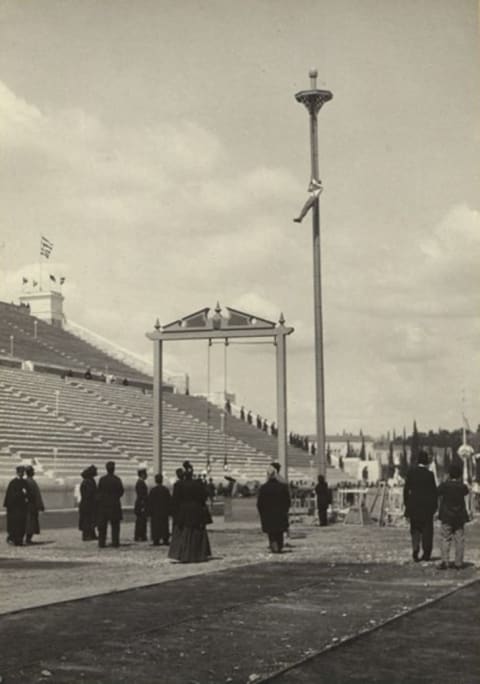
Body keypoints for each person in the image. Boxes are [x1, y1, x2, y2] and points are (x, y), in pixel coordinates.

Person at [168, 461, 212, 563]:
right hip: (196, 510)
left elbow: (175, 500)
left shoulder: (179, 485)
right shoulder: (198, 483)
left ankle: (184, 554)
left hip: (184, 511)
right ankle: (198, 554)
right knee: (196, 532)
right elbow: (203, 497)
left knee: (184, 532)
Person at [403, 450, 437, 562]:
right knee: (427, 531)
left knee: (415, 529)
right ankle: (426, 553)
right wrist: (434, 507)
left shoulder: (411, 473)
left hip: (414, 506)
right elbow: (434, 492)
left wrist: (407, 504)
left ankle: (415, 547)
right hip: (427, 508)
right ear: (427, 461)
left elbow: (406, 490)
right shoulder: (430, 475)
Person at [437, 463, 470, 570]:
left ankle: (445, 561)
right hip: (459, 516)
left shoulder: (445, 485)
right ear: (460, 475)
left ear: (449, 474)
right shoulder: (462, 487)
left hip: (447, 515)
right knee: (459, 539)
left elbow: (438, 491)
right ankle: (458, 562)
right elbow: (466, 491)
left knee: (445, 538)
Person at [257, 465, 291, 553]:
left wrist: (262, 513)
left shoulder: (263, 488)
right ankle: (279, 545)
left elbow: (260, 504)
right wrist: (285, 511)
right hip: (280, 514)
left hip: (268, 515)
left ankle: (274, 544)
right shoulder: (282, 487)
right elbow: (287, 502)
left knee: (271, 533)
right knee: (279, 532)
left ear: (268, 475)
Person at [97, 461, 124, 548]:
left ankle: (101, 542)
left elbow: (99, 492)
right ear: (114, 469)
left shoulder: (102, 480)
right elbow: (121, 491)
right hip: (114, 505)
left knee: (102, 526)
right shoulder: (117, 479)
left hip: (104, 505)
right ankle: (115, 542)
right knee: (115, 526)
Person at [4, 466, 29, 546]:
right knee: (14, 524)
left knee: (21, 524)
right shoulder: (13, 483)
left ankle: (20, 540)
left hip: (22, 508)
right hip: (14, 508)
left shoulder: (25, 482)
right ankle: (13, 539)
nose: (22, 474)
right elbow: (11, 496)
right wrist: (22, 493)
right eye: (21, 472)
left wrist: (26, 496)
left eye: (23, 472)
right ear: (18, 472)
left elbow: (28, 494)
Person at [147, 474, 172, 546]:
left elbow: (150, 502)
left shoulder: (153, 490)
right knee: (164, 525)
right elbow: (169, 500)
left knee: (155, 525)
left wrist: (149, 511)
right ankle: (165, 539)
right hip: (164, 511)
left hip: (155, 511)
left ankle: (156, 539)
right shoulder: (165, 490)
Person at [24, 465, 45, 544]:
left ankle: (27, 539)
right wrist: (40, 505)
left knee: (28, 522)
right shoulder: (31, 482)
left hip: (27, 505)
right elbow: (37, 495)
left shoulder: (26, 481)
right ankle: (28, 539)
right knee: (31, 522)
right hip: (32, 505)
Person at [78, 465, 98, 541]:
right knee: (87, 520)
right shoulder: (88, 481)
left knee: (89, 520)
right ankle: (86, 536)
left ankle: (92, 535)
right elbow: (90, 493)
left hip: (87, 503)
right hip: (88, 504)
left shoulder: (88, 481)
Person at [134, 468, 149, 542]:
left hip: (140, 504)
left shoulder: (140, 482)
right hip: (141, 504)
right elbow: (141, 495)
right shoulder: (140, 483)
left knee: (141, 521)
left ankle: (140, 535)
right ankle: (140, 535)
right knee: (141, 521)